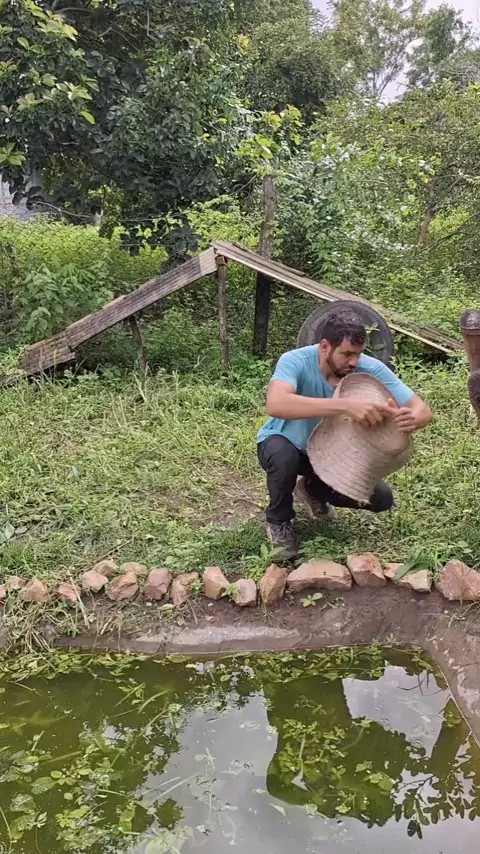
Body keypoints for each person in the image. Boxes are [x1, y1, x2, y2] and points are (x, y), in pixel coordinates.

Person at [257, 309, 432, 559]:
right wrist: (345, 406)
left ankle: (310, 489)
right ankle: (279, 522)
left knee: (381, 499)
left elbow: (422, 409)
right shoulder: (295, 360)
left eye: (358, 354)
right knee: (283, 457)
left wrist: (411, 419)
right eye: (347, 354)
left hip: (332, 455)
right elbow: (276, 404)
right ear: (325, 347)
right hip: (285, 443)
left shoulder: (368, 367)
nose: (354, 362)